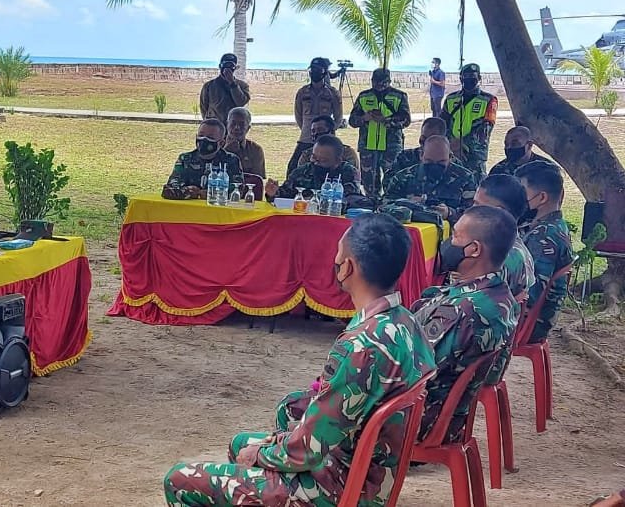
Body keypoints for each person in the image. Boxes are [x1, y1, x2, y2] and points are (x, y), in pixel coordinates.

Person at [164, 213, 436, 507]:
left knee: (179, 480)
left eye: (338, 255)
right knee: (241, 443)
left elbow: (308, 450)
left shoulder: (361, 345)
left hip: (337, 486)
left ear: (347, 267)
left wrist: (260, 454)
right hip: (370, 474)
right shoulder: (406, 322)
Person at [411, 206, 519, 443]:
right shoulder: (501, 295)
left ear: (474, 249)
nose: (448, 243)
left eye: (455, 236)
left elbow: (413, 369)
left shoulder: (461, 311)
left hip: (418, 421)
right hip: (451, 416)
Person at [472, 174, 537, 386]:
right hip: (493, 352)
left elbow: (467, 313)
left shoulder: (500, 260)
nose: (470, 212)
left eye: (478, 206)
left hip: (480, 363)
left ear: (499, 213)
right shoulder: (514, 248)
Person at [516, 160, 574, 344]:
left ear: (541, 198)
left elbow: (529, 295)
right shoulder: (557, 226)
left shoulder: (543, 238)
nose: (517, 199)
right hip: (536, 319)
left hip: (527, 324)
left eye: (522, 193)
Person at [348, 68, 411, 199]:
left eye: (383, 82)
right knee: (369, 183)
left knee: (392, 180)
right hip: (368, 146)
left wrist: (387, 120)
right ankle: (371, 203)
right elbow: (352, 121)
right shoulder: (364, 96)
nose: (379, 85)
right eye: (376, 82)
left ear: (389, 81)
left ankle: (389, 203)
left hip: (391, 146)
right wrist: (364, 118)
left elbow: (406, 120)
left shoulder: (399, 96)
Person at [383, 135, 477, 223]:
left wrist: (449, 213)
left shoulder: (465, 178)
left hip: (451, 232)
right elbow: (384, 206)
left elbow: (474, 214)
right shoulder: (404, 177)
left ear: (450, 157)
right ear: (421, 155)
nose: (435, 165)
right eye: (429, 161)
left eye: (441, 162)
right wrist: (407, 205)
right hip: (411, 231)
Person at [441, 63, 498, 183]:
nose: (469, 79)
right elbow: (442, 124)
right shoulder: (451, 99)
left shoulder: (488, 100)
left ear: (479, 78)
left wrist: (462, 143)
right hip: (451, 151)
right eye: (465, 76)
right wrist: (450, 143)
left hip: (475, 154)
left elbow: (485, 129)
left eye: (472, 76)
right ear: (461, 78)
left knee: (476, 186)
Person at [162, 119, 244, 200]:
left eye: (210, 137)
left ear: (221, 143)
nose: (204, 140)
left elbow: (238, 190)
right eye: (201, 135)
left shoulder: (231, 160)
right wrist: (188, 191)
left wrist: (211, 194)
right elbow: (170, 187)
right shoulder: (185, 159)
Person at [265, 135, 361, 201]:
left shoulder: (349, 172)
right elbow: (284, 196)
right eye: (314, 157)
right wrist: (273, 193)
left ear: (337, 161)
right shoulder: (302, 171)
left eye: (323, 160)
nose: (316, 162)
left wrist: (313, 200)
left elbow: (351, 200)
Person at [292, 57, 343, 171]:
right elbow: (298, 115)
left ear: (324, 72)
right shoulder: (302, 92)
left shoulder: (332, 93)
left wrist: (328, 131)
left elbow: (338, 117)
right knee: (294, 168)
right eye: (312, 70)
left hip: (326, 140)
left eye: (318, 70)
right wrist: (309, 129)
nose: (314, 72)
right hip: (305, 138)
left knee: (328, 167)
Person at [293, 115, 360, 174]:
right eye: (313, 131)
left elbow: (353, 175)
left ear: (331, 132)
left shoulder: (347, 153)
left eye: (320, 129)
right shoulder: (307, 154)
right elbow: (300, 175)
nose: (316, 133)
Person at [200, 53, 251, 122]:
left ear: (235, 68)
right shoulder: (209, 86)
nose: (227, 69)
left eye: (231, 66)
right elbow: (203, 107)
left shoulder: (243, 86)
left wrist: (232, 83)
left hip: (233, 125)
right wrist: (208, 123)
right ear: (220, 66)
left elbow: (241, 103)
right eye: (225, 65)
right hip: (215, 124)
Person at [488, 125, 553, 177]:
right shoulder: (498, 170)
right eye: (506, 144)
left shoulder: (547, 169)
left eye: (515, 144)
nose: (509, 147)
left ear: (529, 145)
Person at [224, 107, 266, 178]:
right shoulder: (217, 145)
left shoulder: (255, 150)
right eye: (233, 123)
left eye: (242, 124)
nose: (237, 128)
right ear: (227, 124)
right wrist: (225, 152)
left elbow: (258, 179)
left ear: (248, 128)